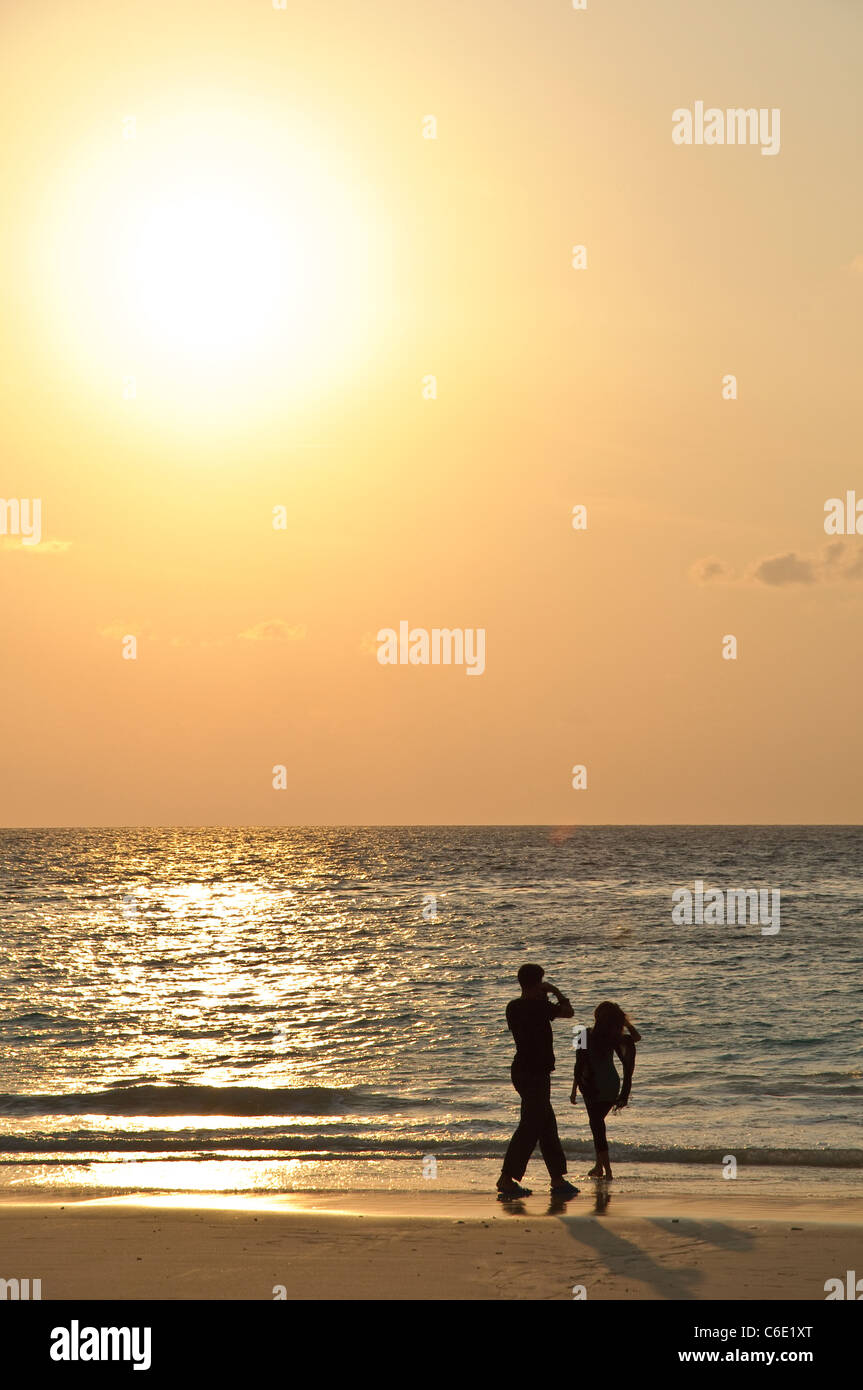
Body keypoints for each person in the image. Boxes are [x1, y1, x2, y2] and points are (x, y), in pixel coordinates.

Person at [496, 963, 579, 1200]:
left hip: (522, 1071)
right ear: (537, 983)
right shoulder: (539, 1007)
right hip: (535, 1074)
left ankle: (557, 1178)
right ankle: (506, 1178)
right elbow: (568, 1011)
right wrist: (555, 991)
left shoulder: (513, 1007)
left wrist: (543, 995)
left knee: (545, 1124)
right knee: (532, 1126)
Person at [571, 1001, 640, 1180]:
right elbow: (636, 1037)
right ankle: (599, 1167)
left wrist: (574, 1089)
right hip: (611, 1084)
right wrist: (626, 1023)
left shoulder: (585, 1034)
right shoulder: (613, 1037)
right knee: (597, 1124)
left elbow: (579, 1065)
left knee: (597, 1126)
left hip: (592, 1084)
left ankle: (607, 1170)